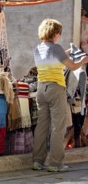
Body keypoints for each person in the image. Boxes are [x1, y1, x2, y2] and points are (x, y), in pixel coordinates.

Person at [32, 18, 88, 172]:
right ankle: (55, 164)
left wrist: (66, 52)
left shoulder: (37, 48)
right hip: (55, 89)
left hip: (41, 89)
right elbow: (72, 65)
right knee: (58, 127)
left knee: (42, 126)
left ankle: (37, 161)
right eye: (59, 34)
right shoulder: (56, 48)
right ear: (55, 33)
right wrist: (83, 60)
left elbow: (53, 56)